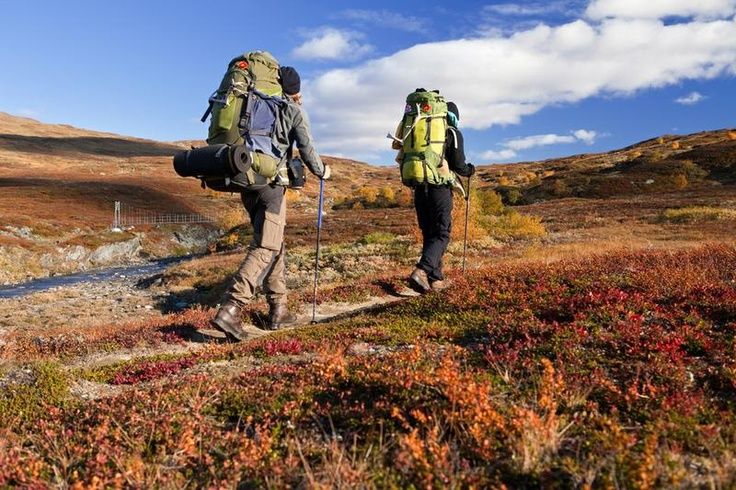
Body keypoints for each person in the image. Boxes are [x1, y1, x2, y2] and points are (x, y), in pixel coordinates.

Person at [211, 66, 331, 341]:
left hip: (246, 177)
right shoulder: (292, 109)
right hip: (271, 184)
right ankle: (232, 308)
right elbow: (308, 150)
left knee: (275, 242)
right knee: (266, 245)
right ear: (295, 90)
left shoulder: (255, 105)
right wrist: (323, 171)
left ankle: (279, 309)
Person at [393, 100, 475, 293]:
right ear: (454, 116)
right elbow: (459, 165)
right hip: (439, 187)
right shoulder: (452, 132)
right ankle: (422, 271)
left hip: (419, 187)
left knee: (430, 233)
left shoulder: (419, 129)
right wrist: (470, 170)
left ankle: (436, 279)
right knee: (442, 233)